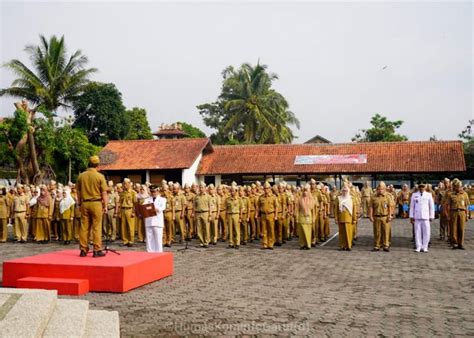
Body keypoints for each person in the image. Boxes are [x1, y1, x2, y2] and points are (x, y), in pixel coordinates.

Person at [76, 155, 108, 257]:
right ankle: (97, 249)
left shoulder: (81, 176)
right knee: (96, 227)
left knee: (84, 227)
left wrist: (80, 203)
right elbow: (104, 193)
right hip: (96, 203)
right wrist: (106, 205)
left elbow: (78, 191)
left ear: (88, 163)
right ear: (97, 165)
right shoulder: (100, 176)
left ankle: (83, 249)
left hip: (85, 203)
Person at [409, 183, 435, 253]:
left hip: (426, 216)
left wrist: (431, 216)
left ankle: (425, 247)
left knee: (426, 232)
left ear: (425, 188)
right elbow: (412, 206)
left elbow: (431, 206)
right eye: (420, 187)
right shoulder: (414, 195)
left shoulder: (429, 195)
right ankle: (418, 246)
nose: (421, 188)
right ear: (418, 188)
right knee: (417, 232)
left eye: (423, 187)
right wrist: (411, 216)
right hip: (417, 216)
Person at [445, 178, 470, 250]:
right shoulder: (450, 195)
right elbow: (447, 206)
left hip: (462, 212)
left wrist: (467, 215)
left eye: (460, 186)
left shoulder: (465, 194)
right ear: (454, 187)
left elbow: (467, 206)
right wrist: (447, 215)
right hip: (453, 212)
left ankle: (460, 244)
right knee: (453, 228)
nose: (459, 188)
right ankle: (454, 243)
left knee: (461, 228)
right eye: (457, 186)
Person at [369, 182, 393, 252]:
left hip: (385, 217)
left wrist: (390, 215)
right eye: (379, 189)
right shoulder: (373, 197)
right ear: (377, 189)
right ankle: (377, 245)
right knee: (377, 232)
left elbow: (390, 207)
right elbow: (371, 207)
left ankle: (386, 245)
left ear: (385, 189)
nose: (380, 190)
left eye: (382, 189)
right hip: (376, 217)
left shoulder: (387, 197)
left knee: (385, 232)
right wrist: (370, 216)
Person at [144, 185, 166, 253]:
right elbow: (144, 207)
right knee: (149, 238)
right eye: (151, 192)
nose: (153, 193)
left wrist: (157, 209)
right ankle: (150, 252)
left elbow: (163, 207)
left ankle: (159, 252)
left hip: (157, 221)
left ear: (157, 191)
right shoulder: (147, 199)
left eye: (154, 192)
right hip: (149, 221)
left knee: (158, 238)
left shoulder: (162, 199)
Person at [335, 185, 357, 251]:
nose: (345, 192)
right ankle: (342, 246)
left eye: (346, 191)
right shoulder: (338, 198)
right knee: (341, 233)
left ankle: (348, 246)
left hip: (349, 218)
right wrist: (336, 218)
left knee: (349, 233)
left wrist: (354, 219)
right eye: (343, 191)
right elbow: (336, 209)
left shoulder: (352, 198)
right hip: (341, 218)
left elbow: (354, 209)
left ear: (348, 191)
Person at [295, 184, 314, 250]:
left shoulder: (311, 199)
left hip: (308, 217)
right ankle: (302, 244)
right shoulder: (300, 199)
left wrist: (314, 218)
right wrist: (297, 217)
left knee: (308, 231)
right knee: (301, 232)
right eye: (304, 191)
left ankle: (308, 244)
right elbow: (297, 209)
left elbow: (313, 210)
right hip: (301, 216)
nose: (305, 192)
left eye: (306, 191)